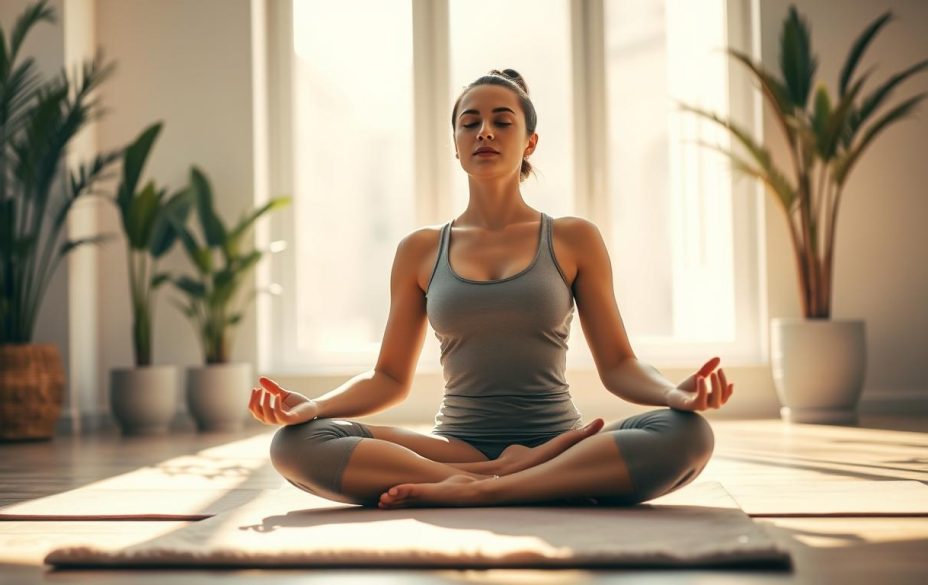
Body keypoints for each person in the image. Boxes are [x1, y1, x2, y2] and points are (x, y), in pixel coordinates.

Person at [250, 68, 732, 509]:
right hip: (454, 445)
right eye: (469, 122)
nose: (484, 132)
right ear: (455, 143)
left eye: (502, 122)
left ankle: (481, 488)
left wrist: (675, 396)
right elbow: (389, 379)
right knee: (295, 443)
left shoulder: (572, 238)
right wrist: (314, 406)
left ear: (530, 142)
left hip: (557, 439)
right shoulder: (420, 249)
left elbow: (620, 366)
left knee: (687, 435)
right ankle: (501, 477)